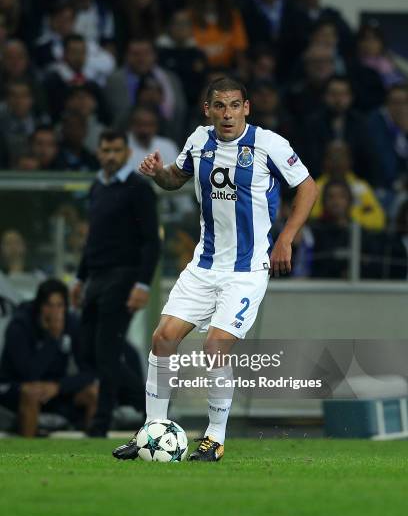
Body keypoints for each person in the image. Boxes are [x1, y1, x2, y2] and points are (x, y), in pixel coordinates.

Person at [113, 76, 318, 462]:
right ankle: (152, 430)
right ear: (207, 109)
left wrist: (286, 238)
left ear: (247, 108)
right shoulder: (197, 141)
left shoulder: (268, 144)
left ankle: (215, 438)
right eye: (219, 106)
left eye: (235, 105)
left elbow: (307, 187)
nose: (227, 114)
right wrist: (158, 172)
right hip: (203, 265)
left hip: (246, 270)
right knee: (163, 338)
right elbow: (176, 178)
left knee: (215, 347)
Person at [71, 130, 160, 436]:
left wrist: (143, 284)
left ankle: (100, 423)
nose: (110, 156)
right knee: (86, 348)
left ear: (126, 153)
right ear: (98, 152)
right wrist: (79, 278)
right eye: (106, 150)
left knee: (106, 350)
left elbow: (152, 241)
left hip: (124, 275)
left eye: (116, 150)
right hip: (96, 275)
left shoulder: (138, 189)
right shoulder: (98, 187)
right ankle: (148, 405)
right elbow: (91, 239)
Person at [0, 279, 98, 436]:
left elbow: (89, 372)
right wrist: (53, 339)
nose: (54, 312)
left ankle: (91, 453)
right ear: (39, 306)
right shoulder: (20, 326)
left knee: (93, 393)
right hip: (16, 388)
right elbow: (28, 374)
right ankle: (26, 456)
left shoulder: (71, 323)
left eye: (59, 306)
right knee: (31, 393)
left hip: (54, 389)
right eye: (49, 305)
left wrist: (59, 386)